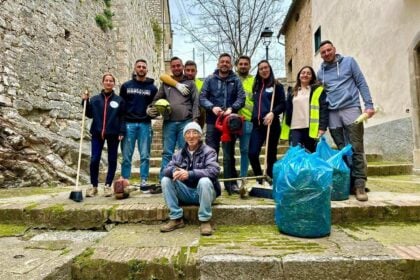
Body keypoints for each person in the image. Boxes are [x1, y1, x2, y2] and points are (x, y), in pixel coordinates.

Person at [317, 40, 375, 201]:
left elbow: (361, 82)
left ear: (334, 49)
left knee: (356, 147)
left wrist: (369, 105)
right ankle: (349, 182)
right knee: (342, 149)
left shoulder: (349, 62)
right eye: (323, 52)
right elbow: (319, 97)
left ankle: (360, 185)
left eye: (329, 50)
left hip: (351, 109)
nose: (327, 53)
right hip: (332, 113)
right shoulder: (319, 73)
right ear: (320, 55)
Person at [160, 122, 221, 236]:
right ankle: (176, 218)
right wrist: (175, 171)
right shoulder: (179, 154)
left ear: (200, 136)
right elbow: (166, 170)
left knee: (204, 181)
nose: (191, 136)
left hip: (205, 193)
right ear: (184, 137)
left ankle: (205, 220)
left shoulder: (209, 151)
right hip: (186, 192)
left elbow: (214, 171)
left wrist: (190, 174)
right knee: (165, 180)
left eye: (195, 132)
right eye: (188, 133)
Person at [199, 53, 245, 194]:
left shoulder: (236, 80)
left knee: (229, 154)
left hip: (230, 123)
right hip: (213, 122)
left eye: (227, 62)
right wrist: (212, 107)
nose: (224, 64)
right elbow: (202, 97)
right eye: (222, 62)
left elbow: (241, 97)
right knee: (212, 154)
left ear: (230, 65)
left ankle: (231, 184)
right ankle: (212, 183)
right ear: (218, 64)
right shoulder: (209, 79)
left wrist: (232, 108)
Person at [153, 57, 200, 181]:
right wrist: (153, 108)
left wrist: (195, 120)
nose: (176, 68)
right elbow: (156, 99)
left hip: (186, 122)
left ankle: (183, 179)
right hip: (169, 123)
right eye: (173, 66)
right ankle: (163, 180)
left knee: (184, 152)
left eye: (178, 65)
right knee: (167, 152)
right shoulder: (166, 83)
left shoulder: (190, 83)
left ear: (182, 67)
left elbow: (196, 102)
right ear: (171, 68)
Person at [82, 73, 126, 197]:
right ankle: (94, 186)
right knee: (94, 159)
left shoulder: (119, 100)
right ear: (103, 82)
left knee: (112, 159)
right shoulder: (95, 99)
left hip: (113, 133)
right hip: (97, 132)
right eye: (106, 80)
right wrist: (84, 101)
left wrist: (122, 131)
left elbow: (122, 117)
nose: (108, 82)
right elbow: (89, 114)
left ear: (114, 83)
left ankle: (107, 185)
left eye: (111, 81)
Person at [119, 59, 157, 189]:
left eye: (144, 67)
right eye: (139, 67)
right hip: (129, 124)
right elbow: (121, 108)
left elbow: (156, 107)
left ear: (147, 70)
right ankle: (124, 180)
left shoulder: (152, 88)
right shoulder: (126, 86)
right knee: (126, 156)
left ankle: (144, 180)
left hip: (145, 124)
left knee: (145, 155)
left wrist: (154, 113)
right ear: (135, 69)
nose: (141, 69)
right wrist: (121, 126)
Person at [248, 60, 285, 183]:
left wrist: (273, 113)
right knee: (252, 153)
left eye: (266, 68)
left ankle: (270, 178)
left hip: (272, 125)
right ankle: (259, 178)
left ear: (270, 69)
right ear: (258, 72)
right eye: (261, 69)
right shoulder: (256, 86)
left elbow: (283, 104)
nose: (264, 70)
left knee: (271, 155)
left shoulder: (276, 86)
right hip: (257, 125)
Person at [280, 66, 328, 152]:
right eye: (303, 73)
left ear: (312, 77)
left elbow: (323, 109)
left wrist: (322, 127)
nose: (305, 75)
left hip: (310, 129)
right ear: (299, 76)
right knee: (296, 155)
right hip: (295, 129)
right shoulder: (292, 92)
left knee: (310, 155)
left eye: (308, 73)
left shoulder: (317, 90)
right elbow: (287, 110)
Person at [236, 56, 255, 177]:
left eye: (245, 64)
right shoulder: (232, 79)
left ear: (249, 66)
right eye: (241, 64)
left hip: (247, 121)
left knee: (244, 151)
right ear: (236, 66)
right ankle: (231, 181)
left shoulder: (255, 80)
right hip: (231, 120)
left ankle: (243, 178)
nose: (243, 66)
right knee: (227, 154)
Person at [184, 60, 205, 128]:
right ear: (184, 71)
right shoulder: (179, 83)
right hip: (183, 117)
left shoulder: (202, 84)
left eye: (193, 70)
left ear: (196, 72)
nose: (190, 73)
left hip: (199, 117)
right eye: (188, 70)